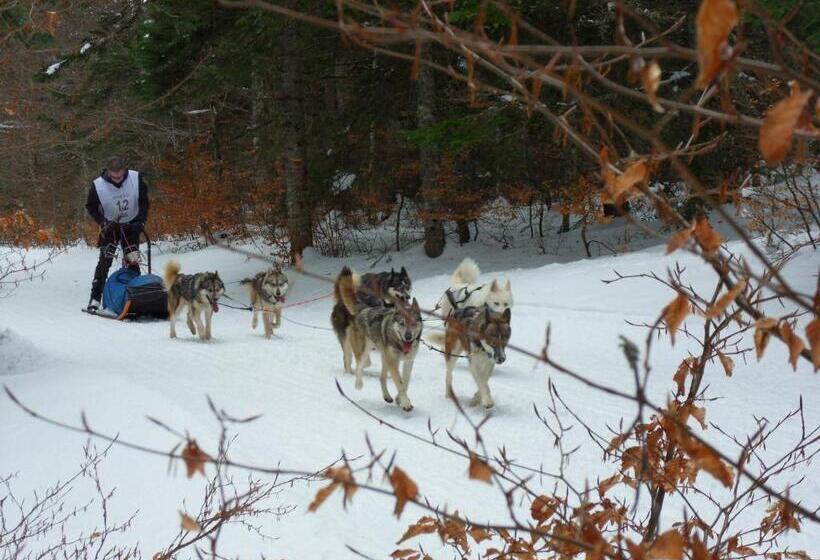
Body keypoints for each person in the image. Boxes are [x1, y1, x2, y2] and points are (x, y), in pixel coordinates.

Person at [85, 156, 149, 311]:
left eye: (120, 177)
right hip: (110, 229)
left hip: (131, 226)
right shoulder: (98, 185)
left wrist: (141, 221)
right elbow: (91, 207)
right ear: (108, 172)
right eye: (114, 178)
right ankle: (95, 298)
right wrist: (103, 222)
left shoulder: (135, 178)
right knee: (105, 262)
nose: (118, 181)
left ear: (125, 170)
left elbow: (144, 201)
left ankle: (134, 295)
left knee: (132, 260)